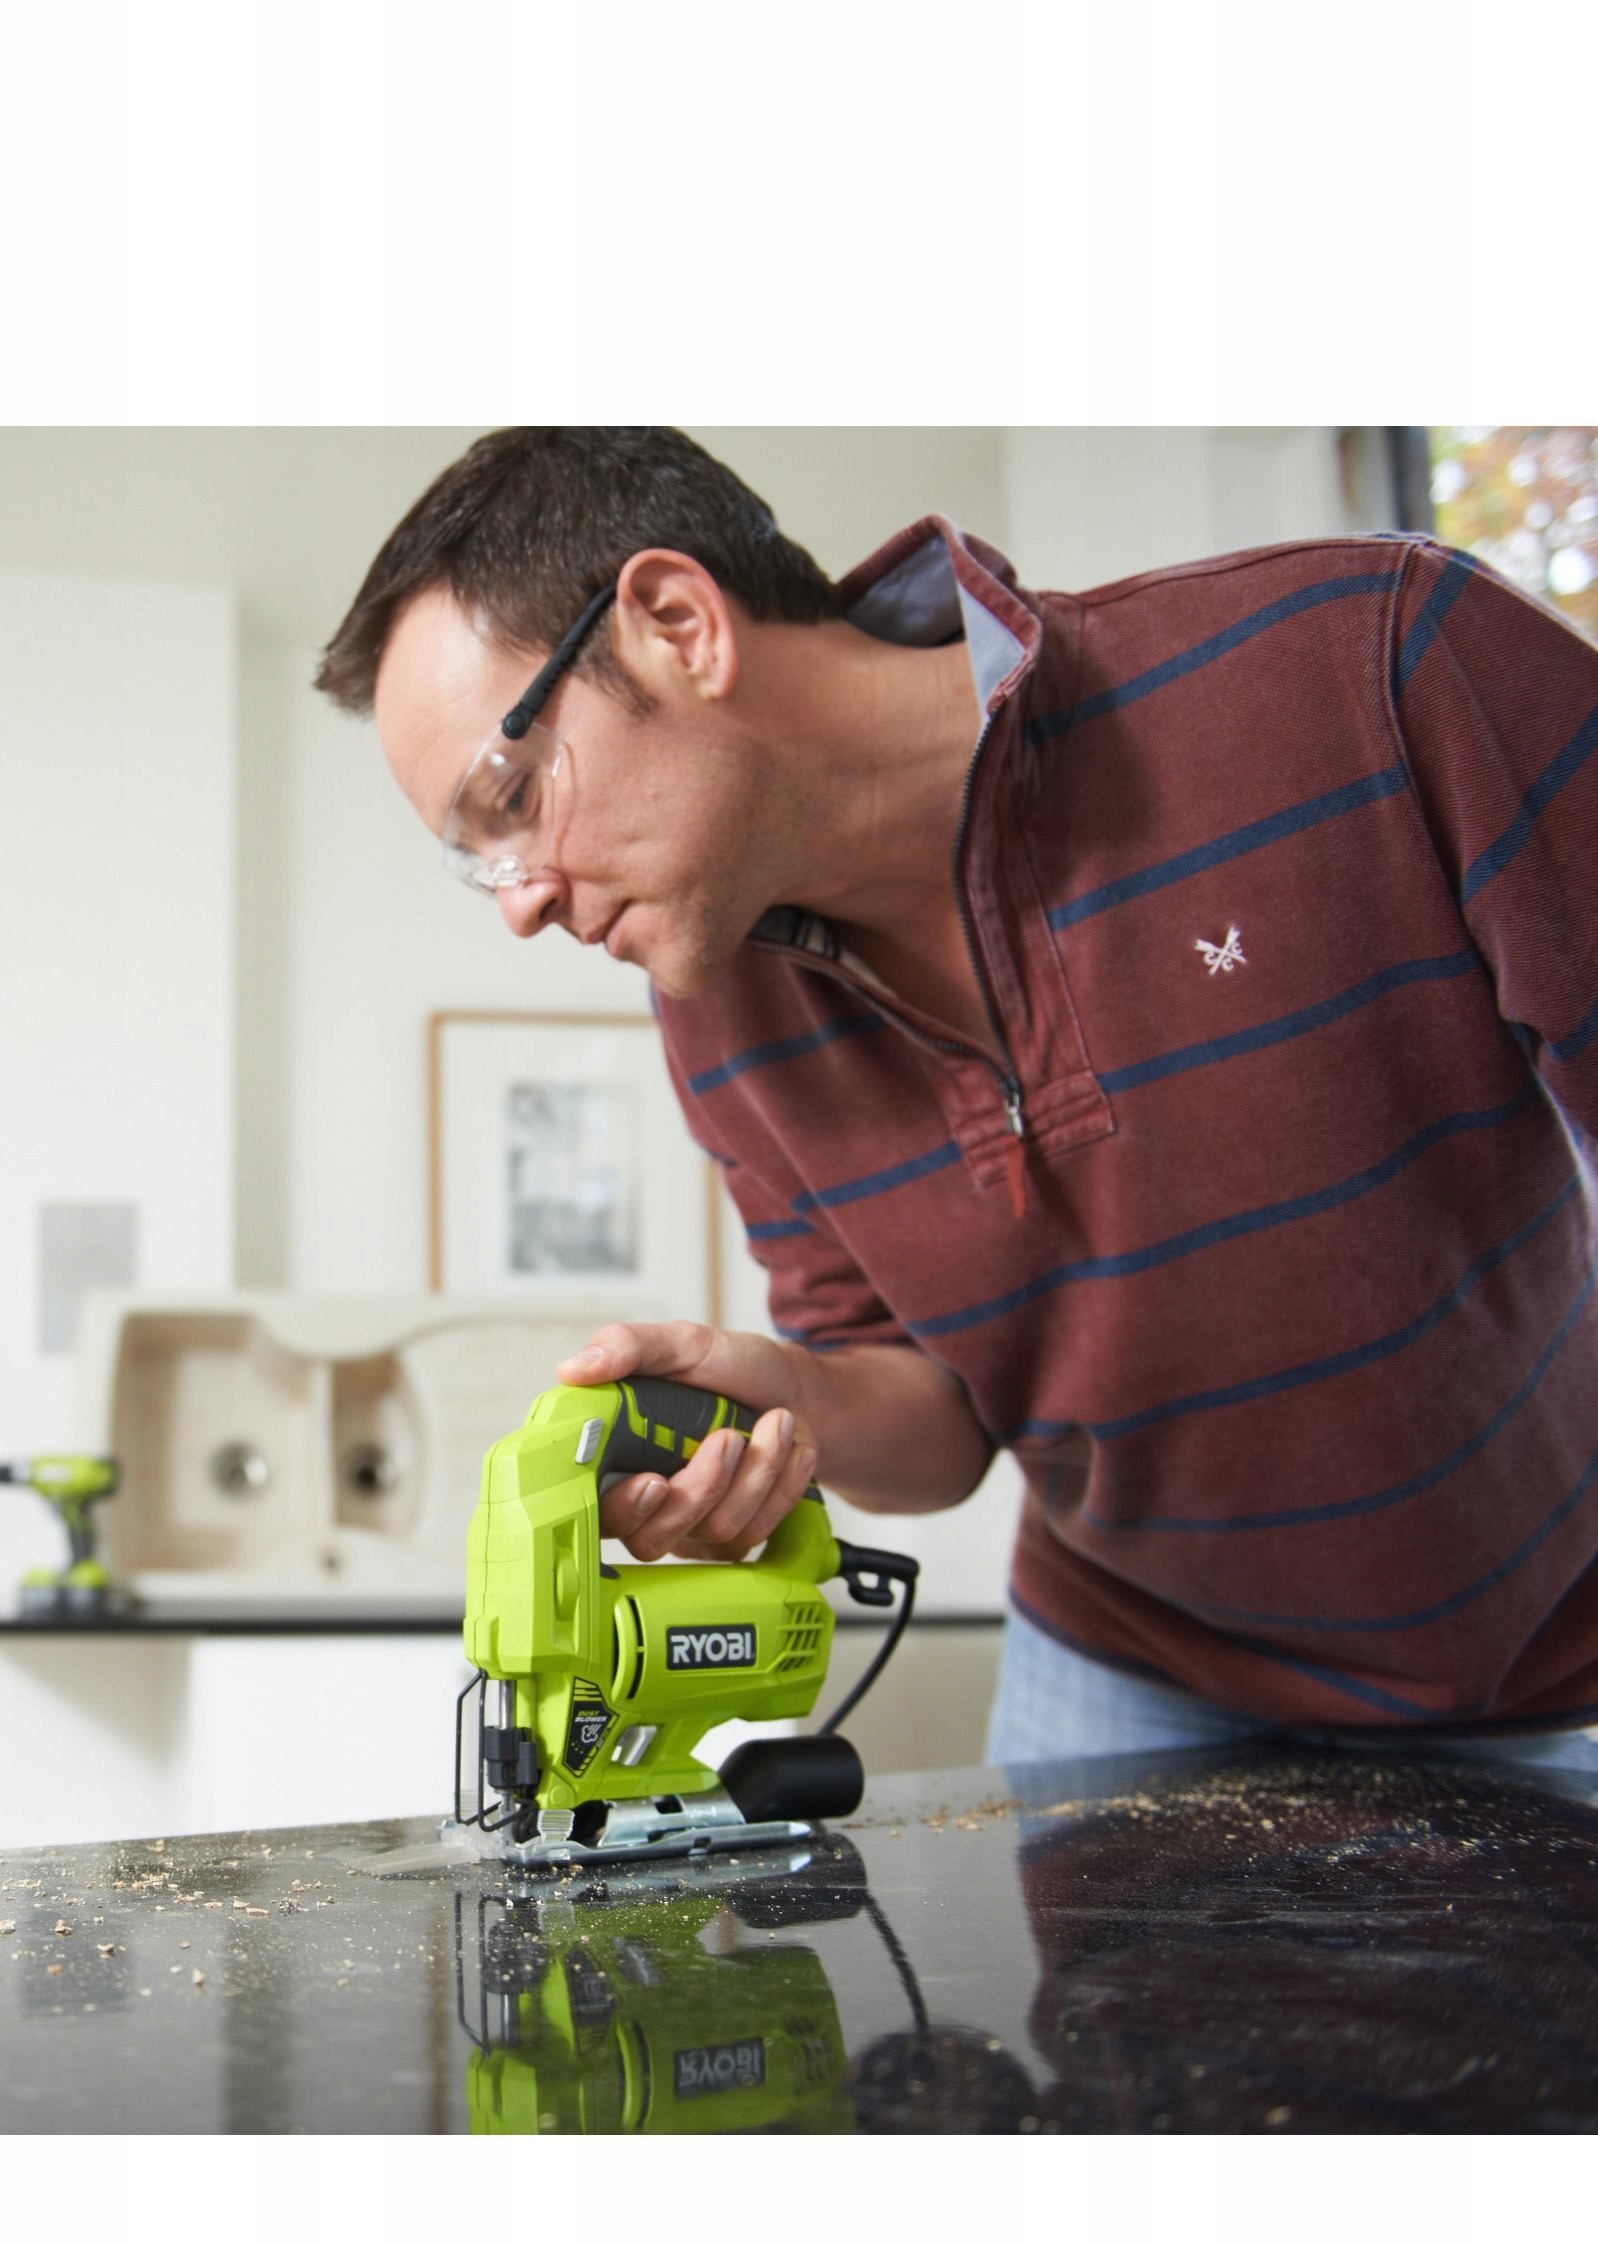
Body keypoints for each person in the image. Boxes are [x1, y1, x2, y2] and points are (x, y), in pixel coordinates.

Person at [315, 427, 1598, 1766]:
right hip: (1124, 1665)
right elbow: (940, 1431)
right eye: (477, 859)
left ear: (680, 626)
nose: (519, 903)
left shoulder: (1372, 663)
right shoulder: (715, 1010)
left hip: (1542, 1657)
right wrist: (786, 1398)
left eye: (514, 796)